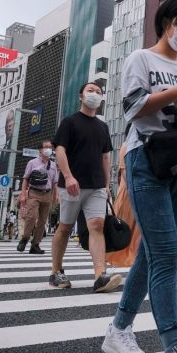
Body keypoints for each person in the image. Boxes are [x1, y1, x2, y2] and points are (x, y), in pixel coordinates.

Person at [102, 0, 177, 353]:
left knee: (152, 254)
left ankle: (118, 329)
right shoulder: (141, 60)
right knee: (166, 252)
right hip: (147, 158)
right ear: (166, 22)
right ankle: (176, 351)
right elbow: (133, 108)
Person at [47, 81, 120, 293]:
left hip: (96, 185)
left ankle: (100, 276)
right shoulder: (69, 122)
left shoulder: (103, 126)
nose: (94, 94)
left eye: (98, 92)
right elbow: (60, 150)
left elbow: (106, 157)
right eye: (90, 90)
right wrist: (68, 177)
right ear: (81, 96)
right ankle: (56, 271)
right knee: (65, 227)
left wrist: (107, 185)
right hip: (72, 185)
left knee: (97, 226)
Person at [17, 140, 58, 254]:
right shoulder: (32, 163)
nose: (48, 149)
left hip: (47, 194)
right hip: (34, 193)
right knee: (31, 217)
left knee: (42, 221)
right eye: (46, 147)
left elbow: (55, 182)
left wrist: (56, 195)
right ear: (40, 150)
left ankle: (35, 245)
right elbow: (25, 178)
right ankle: (24, 238)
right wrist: (23, 194)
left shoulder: (53, 165)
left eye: (50, 147)